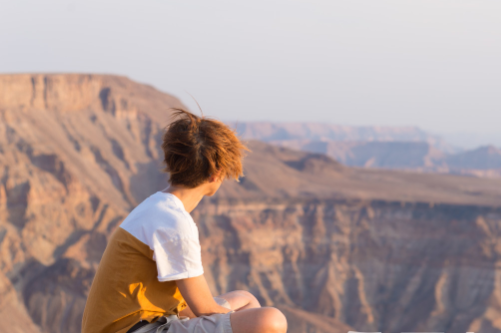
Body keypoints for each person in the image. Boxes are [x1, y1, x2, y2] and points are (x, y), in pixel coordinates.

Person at [82, 109, 287, 333]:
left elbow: (189, 306)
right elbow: (204, 309)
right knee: (270, 320)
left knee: (246, 300)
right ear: (215, 174)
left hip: (148, 320)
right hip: (137, 330)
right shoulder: (174, 222)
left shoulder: (156, 206)